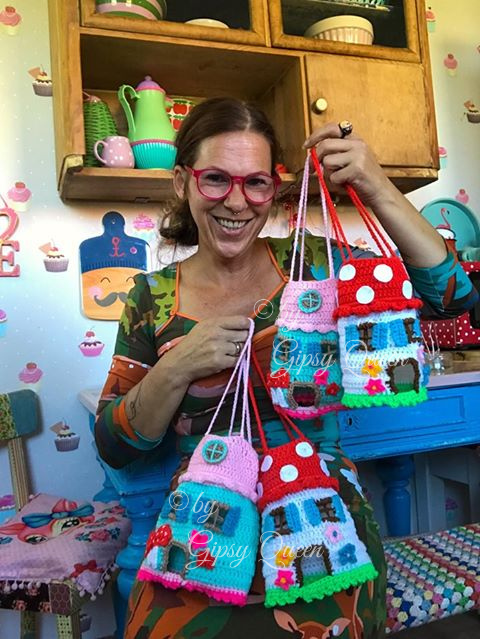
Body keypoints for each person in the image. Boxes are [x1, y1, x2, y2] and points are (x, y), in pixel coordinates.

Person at [95, 97, 477, 639]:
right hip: (202, 522)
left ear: (273, 189)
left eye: (256, 183)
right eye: (215, 179)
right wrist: (176, 366)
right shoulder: (150, 298)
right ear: (182, 182)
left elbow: (453, 296)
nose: (237, 202)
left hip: (322, 518)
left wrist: (375, 186)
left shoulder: (315, 265)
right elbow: (115, 445)